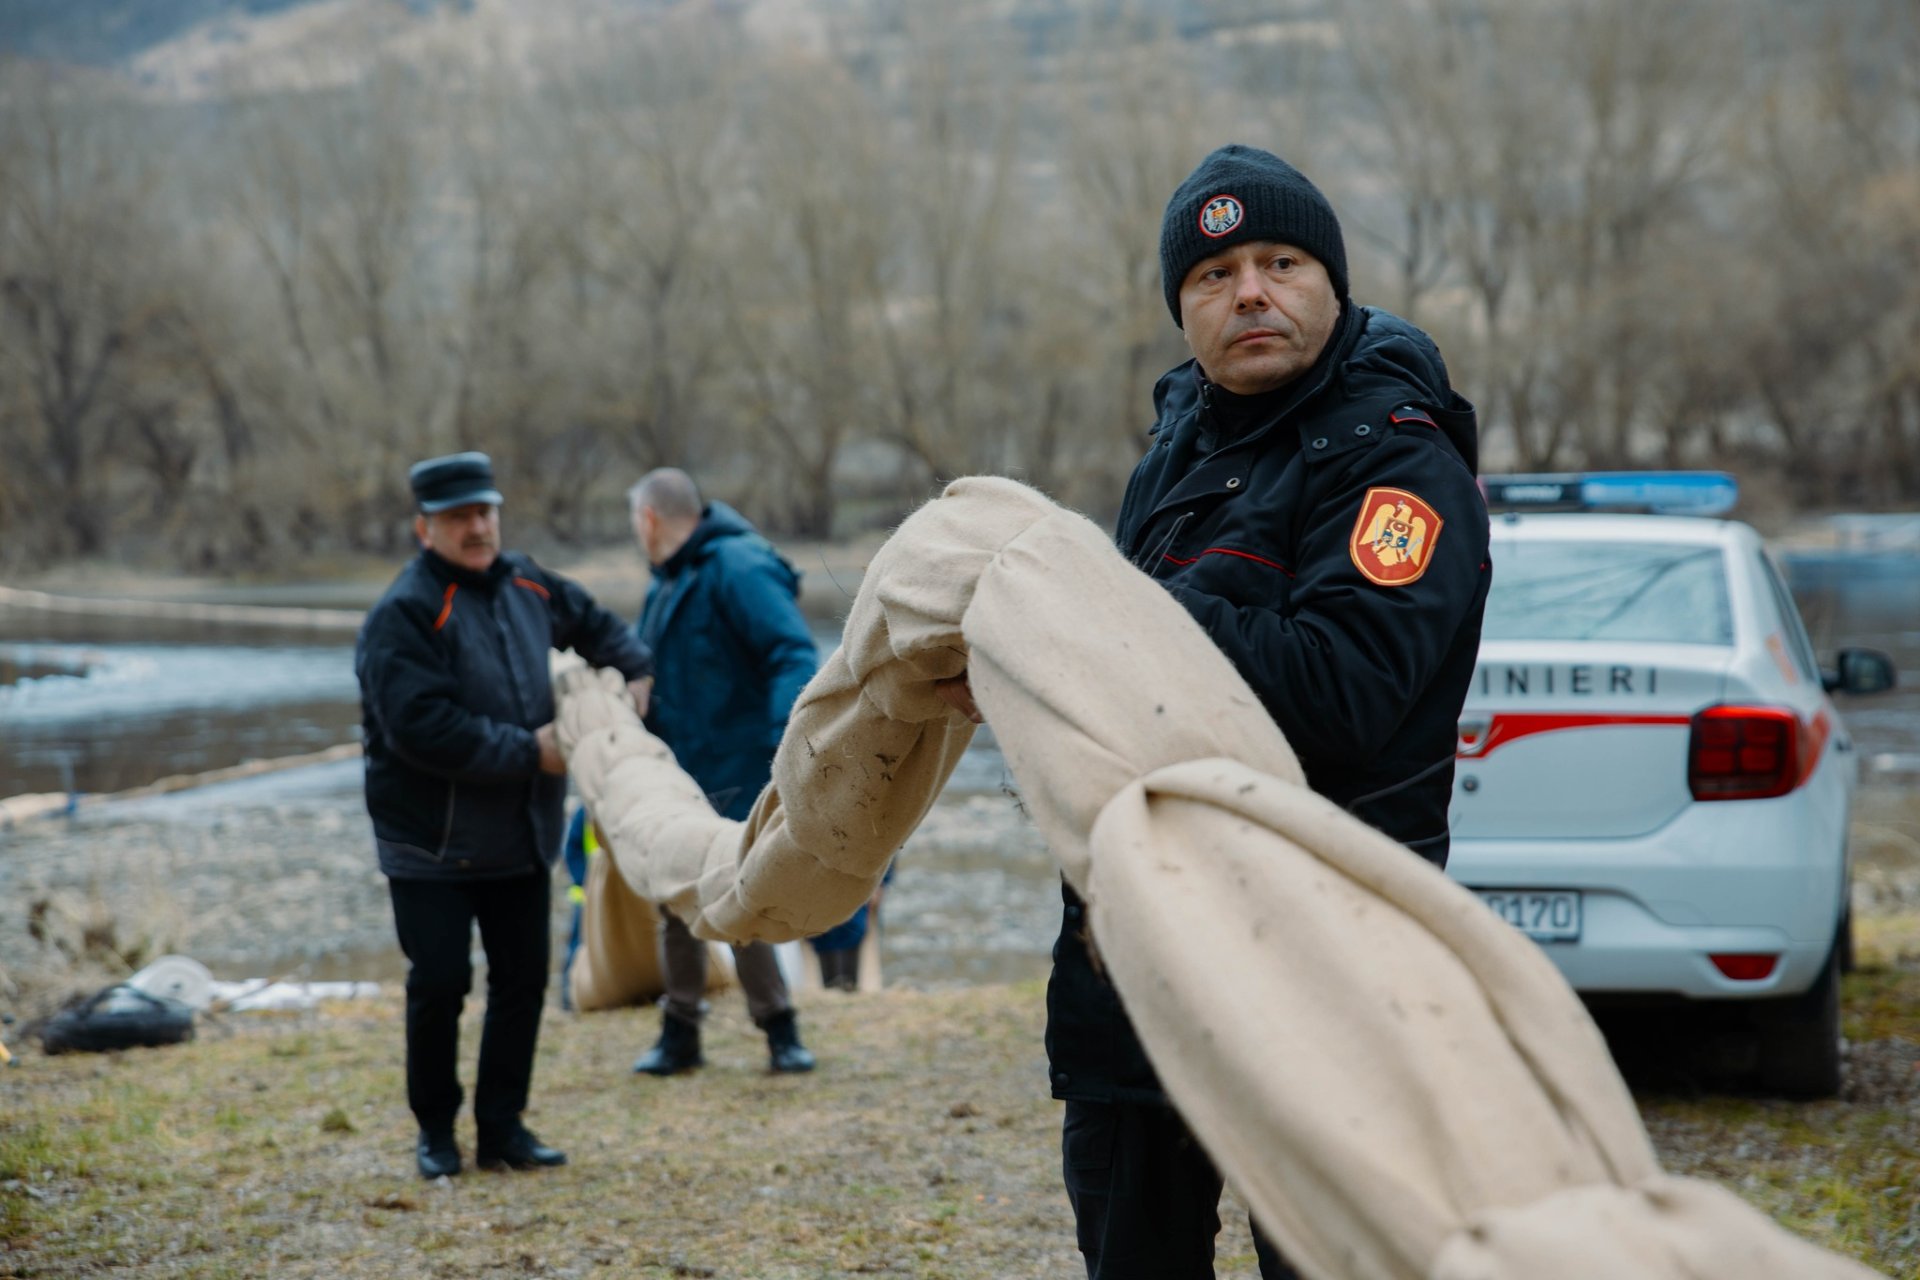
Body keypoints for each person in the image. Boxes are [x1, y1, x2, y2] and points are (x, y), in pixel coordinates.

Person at [941, 144, 1491, 1278]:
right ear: (1181, 309)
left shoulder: (1398, 457)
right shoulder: (1178, 440)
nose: (1249, 292)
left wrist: (1095, 611)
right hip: (1136, 956)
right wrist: (1017, 670)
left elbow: (1342, 693)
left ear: (1330, 282)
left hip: (1329, 966)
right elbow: (1121, 682)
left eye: (1280, 262)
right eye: (1214, 273)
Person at [356, 451, 655, 1179]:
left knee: (521, 983)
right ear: (424, 528)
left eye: (485, 512)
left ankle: (502, 1128)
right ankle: (435, 1132)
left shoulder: (528, 582)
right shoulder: (403, 613)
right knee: (440, 985)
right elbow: (422, 729)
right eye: (459, 517)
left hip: (521, 834)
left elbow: (600, 627)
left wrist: (634, 672)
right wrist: (533, 751)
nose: (477, 527)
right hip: (429, 842)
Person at [624, 468, 821, 1077]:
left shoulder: (737, 566)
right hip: (679, 774)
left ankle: (780, 1030)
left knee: (739, 895)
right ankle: (680, 1033)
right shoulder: (668, 581)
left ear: (649, 519)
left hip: (741, 767)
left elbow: (792, 652)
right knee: (675, 896)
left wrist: (782, 753)